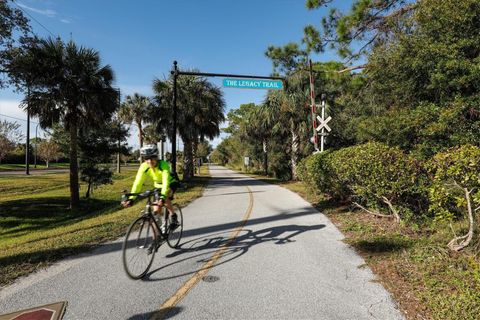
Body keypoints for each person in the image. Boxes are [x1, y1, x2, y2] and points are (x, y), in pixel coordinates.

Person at [121, 144, 179, 233]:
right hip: (157, 185)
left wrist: (162, 197)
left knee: (165, 195)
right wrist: (131, 198)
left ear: (157, 157)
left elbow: (165, 182)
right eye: (146, 158)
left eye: (152, 158)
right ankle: (158, 233)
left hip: (170, 183)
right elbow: (138, 183)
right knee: (156, 210)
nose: (149, 161)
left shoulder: (163, 164)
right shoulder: (144, 166)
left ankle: (173, 216)